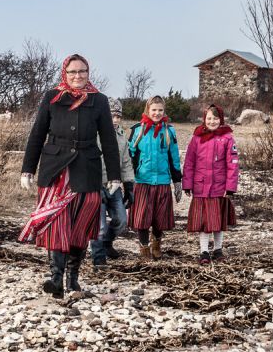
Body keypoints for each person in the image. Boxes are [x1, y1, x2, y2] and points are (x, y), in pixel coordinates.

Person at [18, 54, 122, 298]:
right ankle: (55, 279)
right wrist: (27, 168)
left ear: (88, 72)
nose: (78, 76)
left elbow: (108, 140)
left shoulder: (99, 100)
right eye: (73, 72)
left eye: (82, 71)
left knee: (80, 226)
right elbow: (37, 134)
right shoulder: (52, 97)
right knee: (56, 224)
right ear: (65, 73)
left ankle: (72, 280)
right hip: (55, 168)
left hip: (87, 169)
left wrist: (115, 176)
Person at [182, 104, 239, 264]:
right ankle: (204, 251)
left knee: (218, 221)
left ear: (221, 120)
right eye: (209, 118)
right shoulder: (197, 138)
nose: (212, 121)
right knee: (204, 222)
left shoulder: (227, 138)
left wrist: (230, 187)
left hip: (219, 188)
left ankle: (218, 249)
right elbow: (189, 162)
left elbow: (233, 164)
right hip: (200, 187)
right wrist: (187, 184)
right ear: (204, 119)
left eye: (216, 118)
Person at [127, 95, 182, 259]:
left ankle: (157, 242)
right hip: (143, 181)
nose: (157, 113)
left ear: (164, 111)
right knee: (142, 218)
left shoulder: (169, 131)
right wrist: (128, 180)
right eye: (154, 110)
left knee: (160, 219)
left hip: (163, 181)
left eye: (160, 110)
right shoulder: (138, 130)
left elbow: (174, 158)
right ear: (148, 110)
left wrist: (177, 181)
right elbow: (131, 157)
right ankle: (144, 247)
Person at [90, 98, 135, 267]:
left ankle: (107, 243)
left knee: (121, 219)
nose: (115, 120)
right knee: (99, 224)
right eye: (112, 116)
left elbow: (126, 162)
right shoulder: (94, 135)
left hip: (114, 186)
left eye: (118, 116)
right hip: (96, 185)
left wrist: (129, 185)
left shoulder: (122, 138)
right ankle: (98, 257)